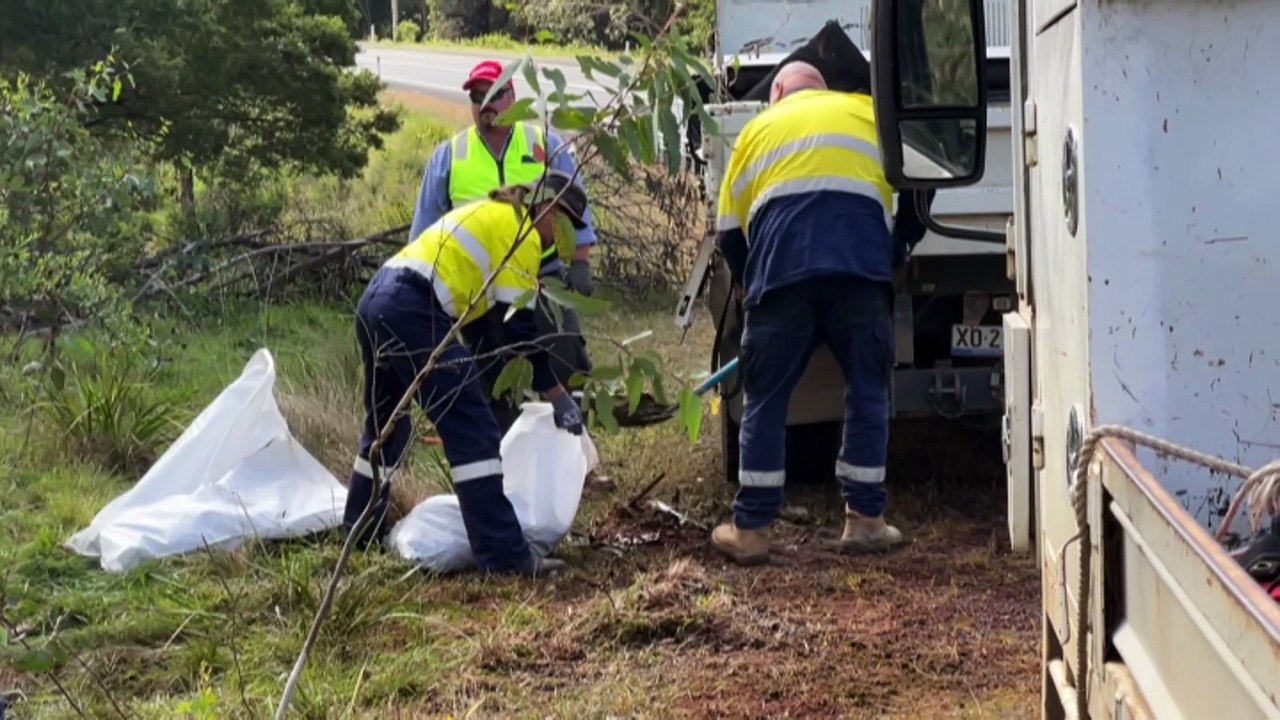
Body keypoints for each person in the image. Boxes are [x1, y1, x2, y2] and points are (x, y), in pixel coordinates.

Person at [708, 61, 932, 566]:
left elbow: (727, 231)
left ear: (780, 91)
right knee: (868, 391)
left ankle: (753, 529)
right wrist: (897, 249)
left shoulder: (757, 130)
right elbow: (923, 182)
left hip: (781, 278)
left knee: (766, 398)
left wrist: (749, 280)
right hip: (860, 273)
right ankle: (865, 521)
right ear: (824, 90)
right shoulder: (869, 114)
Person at [343, 170, 589, 577]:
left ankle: (358, 532)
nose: (563, 237)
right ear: (546, 205)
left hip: (376, 301)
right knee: (473, 430)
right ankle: (505, 557)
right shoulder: (520, 233)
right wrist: (555, 393)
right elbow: (519, 329)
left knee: (386, 429)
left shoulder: (491, 214)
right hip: (411, 308)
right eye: (564, 222)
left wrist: (489, 385)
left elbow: (484, 330)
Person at [408, 59, 599, 432]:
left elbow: (576, 206)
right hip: (478, 289)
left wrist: (580, 261)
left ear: (513, 96)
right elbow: (424, 232)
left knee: (565, 360)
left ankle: (577, 452)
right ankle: (505, 456)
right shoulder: (451, 156)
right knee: (492, 375)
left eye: (495, 95)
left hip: (542, 275)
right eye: (478, 97)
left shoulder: (545, 145)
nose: (486, 105)